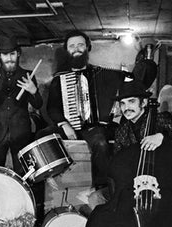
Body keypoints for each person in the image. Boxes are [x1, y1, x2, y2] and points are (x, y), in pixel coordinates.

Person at [0, 35, 45, 227]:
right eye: (4, 55)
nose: (8, 58)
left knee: (24, 177)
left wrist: (34, 91)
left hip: (21, 133)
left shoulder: (27, 75)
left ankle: (25, 222)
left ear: (17, 54)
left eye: (11, 54)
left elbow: (38, 105)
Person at [88, 79, 172, 208]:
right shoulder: (121, 130)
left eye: (131, 101)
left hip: (159, 185)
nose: (126, 108)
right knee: (96, 198)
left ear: (144, 102)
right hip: (131, 185)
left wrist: (162, 138)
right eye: (122, 103)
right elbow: (117, 166)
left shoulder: (161, 119)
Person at [46, 30, 125, 191]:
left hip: (94, 127)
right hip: (69, 126)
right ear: (67, 50)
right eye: (72, 46)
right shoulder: (59, 79)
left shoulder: (104, 75)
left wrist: (118, 109)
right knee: (43, 136)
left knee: (101, 142)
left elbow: (124, 90)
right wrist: (64, 124)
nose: (76, 49)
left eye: (80, 45)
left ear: (87, 48)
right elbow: (52, 107)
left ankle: (101, 188)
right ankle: (51, 186)